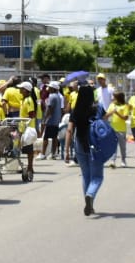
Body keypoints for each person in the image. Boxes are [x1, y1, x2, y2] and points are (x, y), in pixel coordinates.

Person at [70, 81, 103, 215]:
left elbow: (69, 130)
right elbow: (104, 124)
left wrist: (66, 150)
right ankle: (90, 195)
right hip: (95, 143)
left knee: (85, 175)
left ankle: (89, 203)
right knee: (97, 177)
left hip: (79, 142)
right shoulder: (97, 108)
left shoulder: (76, 110)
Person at [39, 80, 64, 160]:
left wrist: (45, 118)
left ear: (53, 88)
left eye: (49, 87)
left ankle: (43, 154)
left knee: (46, 137)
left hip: (51, 120)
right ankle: (53, 154)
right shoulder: (58, 96)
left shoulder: (52, 96)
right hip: (56, 120)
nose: (48, 88)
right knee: (54, 137)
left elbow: (50, 108)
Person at [106, 91, 130, 168]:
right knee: (113, 146)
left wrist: (117, 113)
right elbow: (106, 116)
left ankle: (123, 160)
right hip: (112, 129)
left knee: (122, 146)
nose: (113, 98)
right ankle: (113, 160)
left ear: (119, 98)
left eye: (114, 97)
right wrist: (112, 112)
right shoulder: (112, 105)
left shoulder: (125, 106)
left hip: (121, 129)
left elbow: (125, 118)